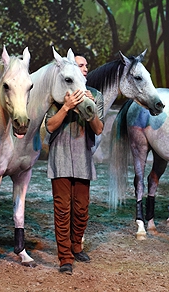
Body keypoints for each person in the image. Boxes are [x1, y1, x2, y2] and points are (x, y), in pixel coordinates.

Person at [45, 54, 104, 275]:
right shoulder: (58, 94)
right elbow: (50, 126)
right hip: (60, 159)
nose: (85, 68)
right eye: (81, 65)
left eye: (87, 65)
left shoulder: (95, 95)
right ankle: (65, 258)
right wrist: (67, 107)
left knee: (81, 209)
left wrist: (90, 107)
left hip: (82, 160)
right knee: (62, 211)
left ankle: (76, 245)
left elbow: (98, 129)